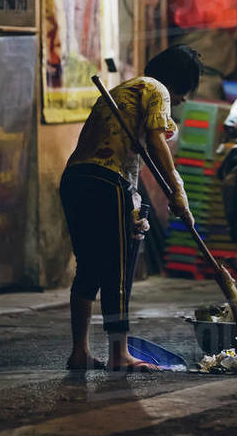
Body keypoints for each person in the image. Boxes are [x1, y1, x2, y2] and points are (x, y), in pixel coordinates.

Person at [60, 46, 201, 372]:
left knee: (90, 267)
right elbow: (156, 141)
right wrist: (176, 190)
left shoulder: (126, 90)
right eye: (186, 90)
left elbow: (132, 152)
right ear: (177, 81)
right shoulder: (157, 89)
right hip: (107, 182)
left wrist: (134, 203)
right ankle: (118, 354)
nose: (182, 99)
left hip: (76, 178)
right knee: (118, 269)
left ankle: (79, 352)